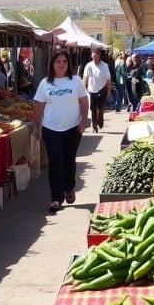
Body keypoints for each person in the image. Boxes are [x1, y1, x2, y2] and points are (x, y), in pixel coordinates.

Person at [32, 50, 89, 211]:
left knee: (69, 160)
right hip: (51, 129)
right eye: (58, 61)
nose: (62, 64)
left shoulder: (75, 81)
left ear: (68, 64)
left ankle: (69, 187)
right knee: (55, 162)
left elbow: (84, 101)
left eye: (64, 61)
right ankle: (56, 198)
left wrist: (84, 120)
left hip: (73, 128)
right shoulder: (45, 83)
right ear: (52, 64)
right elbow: (38, 106)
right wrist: (35, 126)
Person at [82, 48, 112, 133]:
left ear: (99, 56)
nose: (95, 56)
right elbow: (85, 78)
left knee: (101, 108)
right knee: (93, 109)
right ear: (91, 56)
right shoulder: (88, 66)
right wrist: (84, 90)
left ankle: (100, 121)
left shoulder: (105, 66)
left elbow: (108, 79)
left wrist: (109, 91)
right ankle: (94, 126)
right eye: (94, 55)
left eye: (97, 55)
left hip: (102, 89)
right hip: (91, 90)